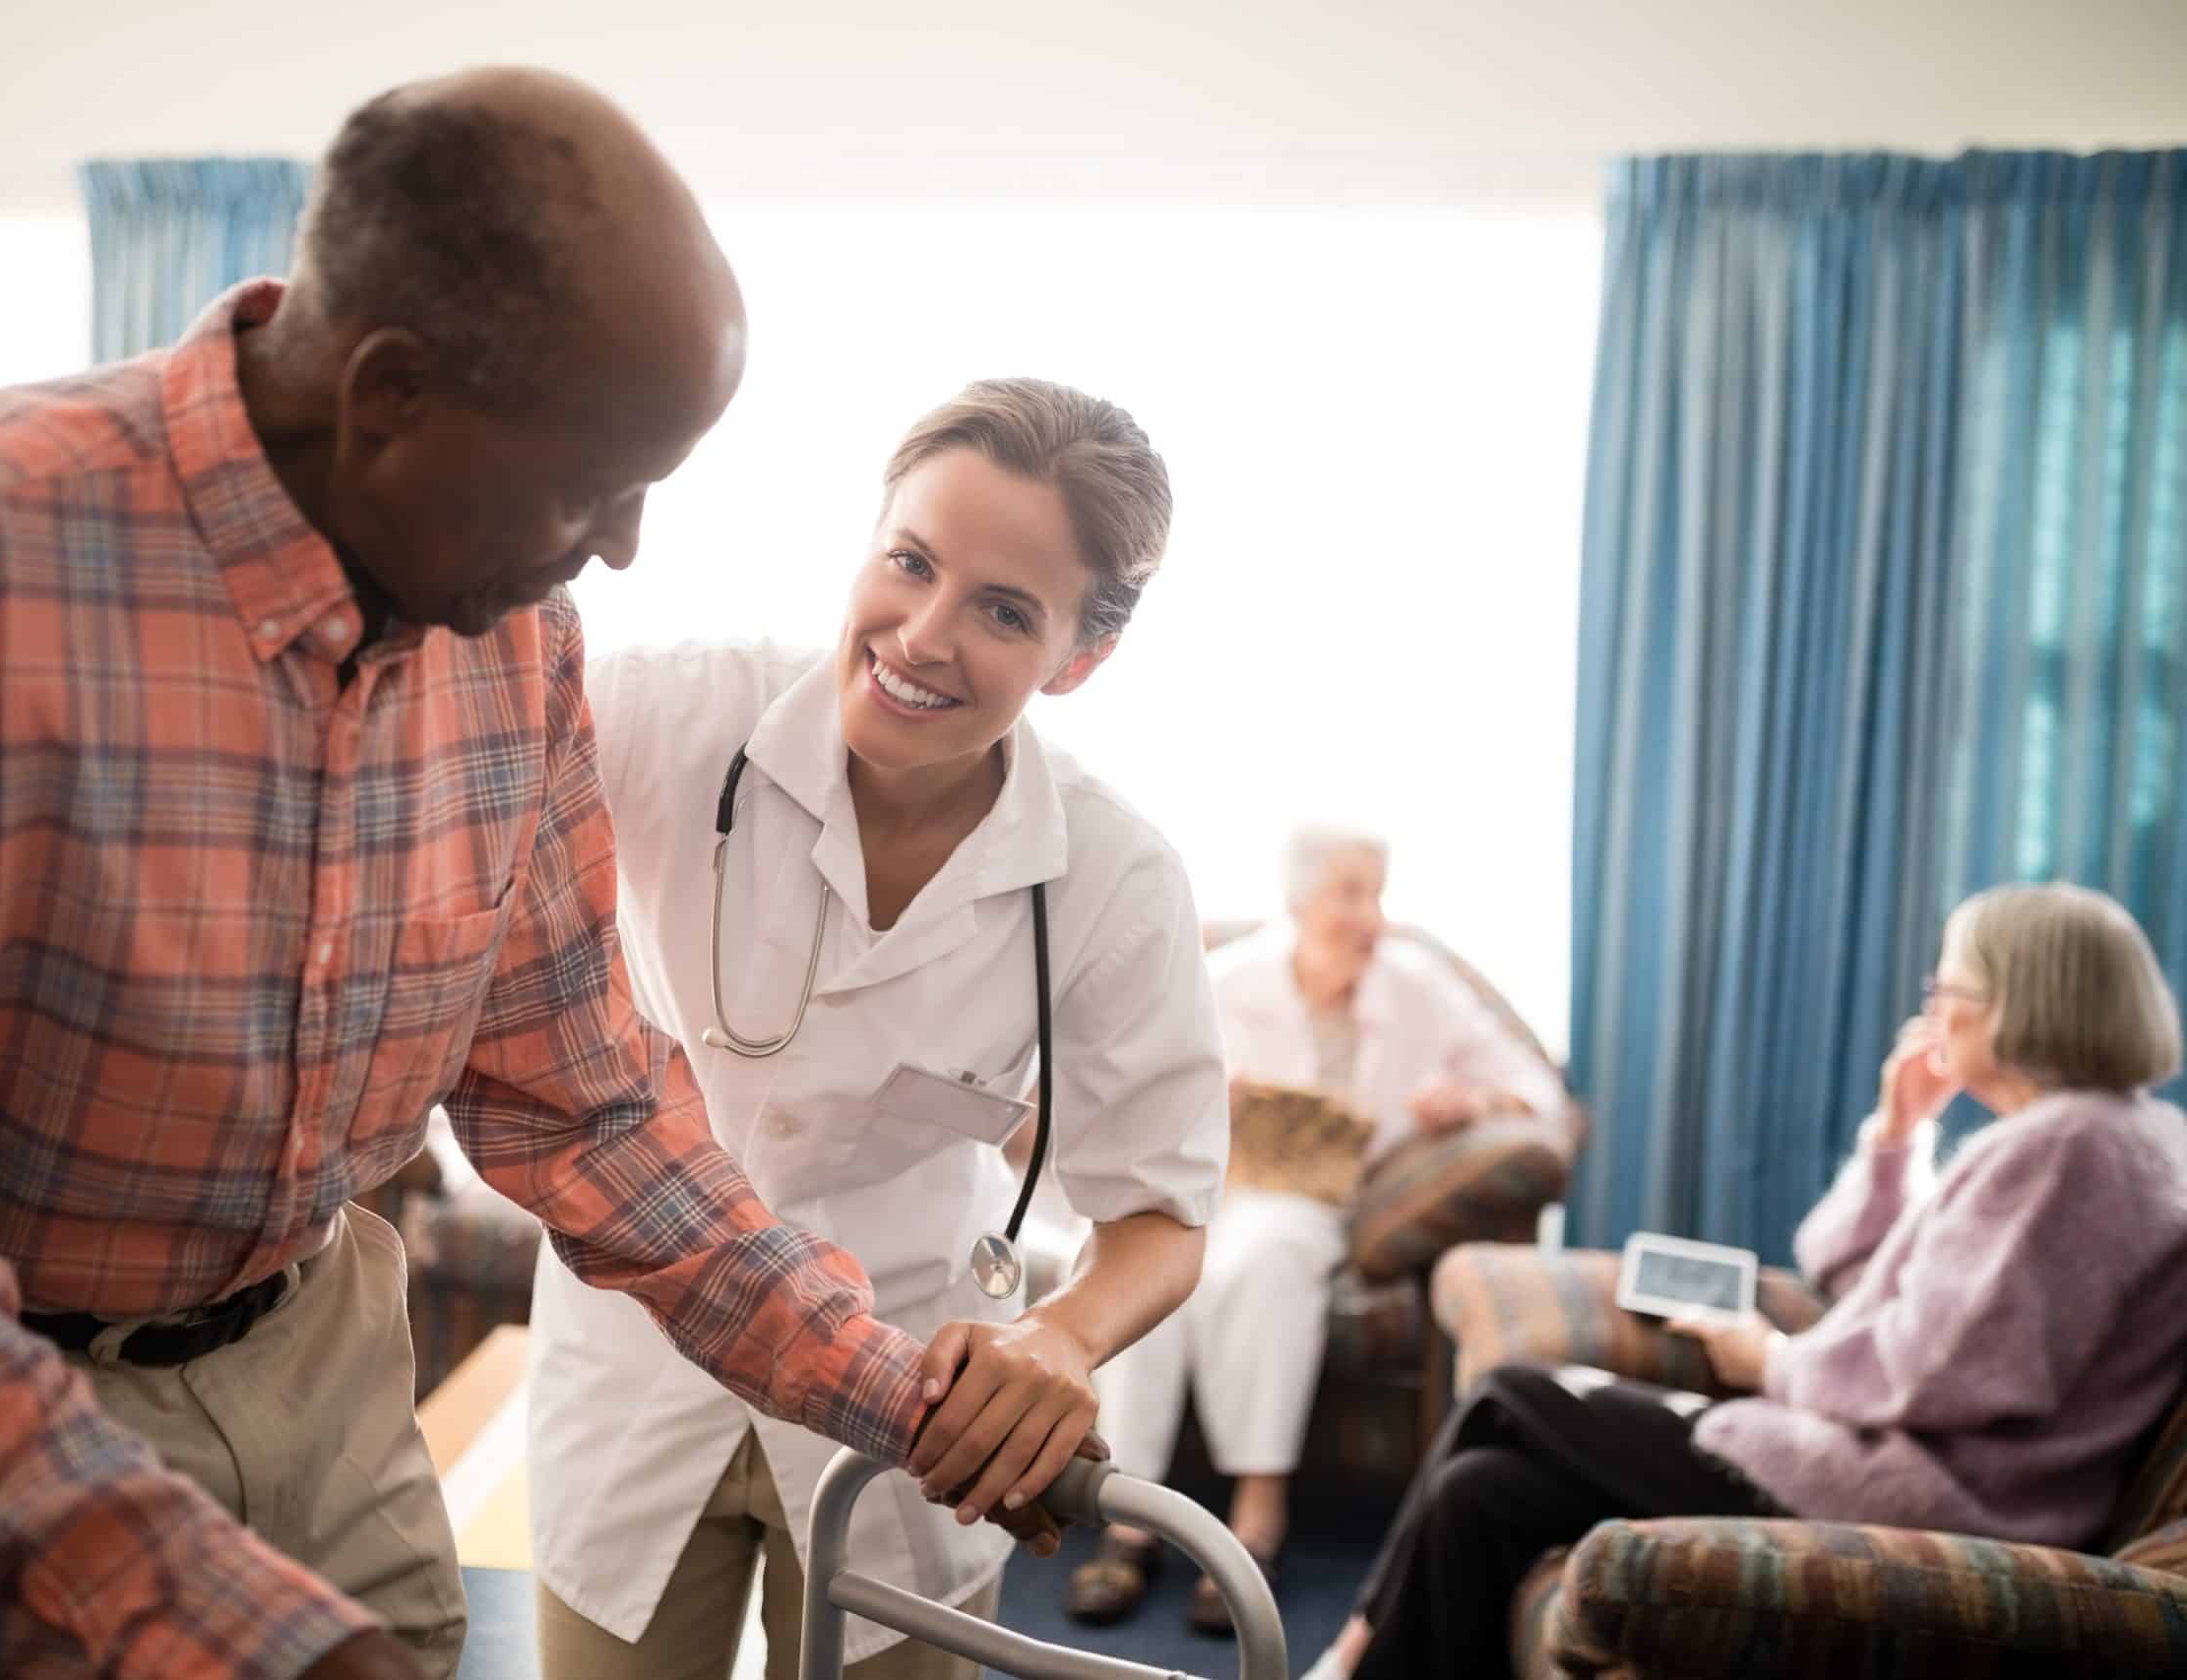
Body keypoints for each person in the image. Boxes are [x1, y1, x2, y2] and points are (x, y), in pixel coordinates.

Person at [0, 69, 1041, 1680]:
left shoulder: (512, 631)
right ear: (387, 396)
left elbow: (587, 1108)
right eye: (596, 481)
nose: (622, 547)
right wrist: (257, 1643)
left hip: (321, 1370)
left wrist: (900, 1392)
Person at [530, 378, 1229, 1680]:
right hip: (634, 1370)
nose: (922, 632)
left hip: (902, 1398)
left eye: (1005, 610)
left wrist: (1059, 1336)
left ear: (1079, 658)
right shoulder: (664, 716)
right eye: (910, 561)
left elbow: (1163, 1214)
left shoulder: (1116, 876)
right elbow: (449, 750)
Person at [1301, 881, 2187, 1680]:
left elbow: (1935, 1369)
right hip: (1904, 1467)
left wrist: (1770, 1359)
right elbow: (1848, 1270)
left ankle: (1344, 1655)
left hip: (1928, 1495)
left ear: (2019, 1006)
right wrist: (1898, 1131)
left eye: (1950, 989)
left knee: (1509, 1392)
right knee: (1479, 1494)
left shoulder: (2066, 1154)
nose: (1936, 1012)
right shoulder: (2106, 1140)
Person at [1073, 824, 1567, 1629]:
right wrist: (1204, 1094)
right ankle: (1129, 1523)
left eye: (1376, 891)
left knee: (1264, 1262)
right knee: (1151, 1274)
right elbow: (1121, 1081)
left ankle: (1257, 1518)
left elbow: (1538, 1092)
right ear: (1300, 899)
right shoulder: (1227, 978)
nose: (1368, 913)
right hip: (1210, 1182)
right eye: (1349, 891)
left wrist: (1468, 1102)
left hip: (1313, 1200)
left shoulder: (1417, 985)